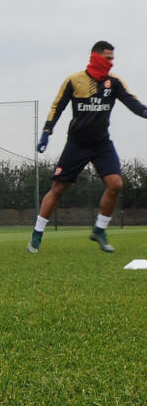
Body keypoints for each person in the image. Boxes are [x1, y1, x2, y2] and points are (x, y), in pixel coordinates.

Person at [28, 41, 147, 254]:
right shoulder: (74, 80)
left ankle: (99, 230)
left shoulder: (114, 82)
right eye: (107, 58)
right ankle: (37, 233)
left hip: (102, 144)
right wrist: (47, 131)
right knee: (58, 189)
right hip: (76, 144)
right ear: (95, 57)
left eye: (112, 59)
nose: (111, 63)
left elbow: (134, 104)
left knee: (116, 184)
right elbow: (58, 106)